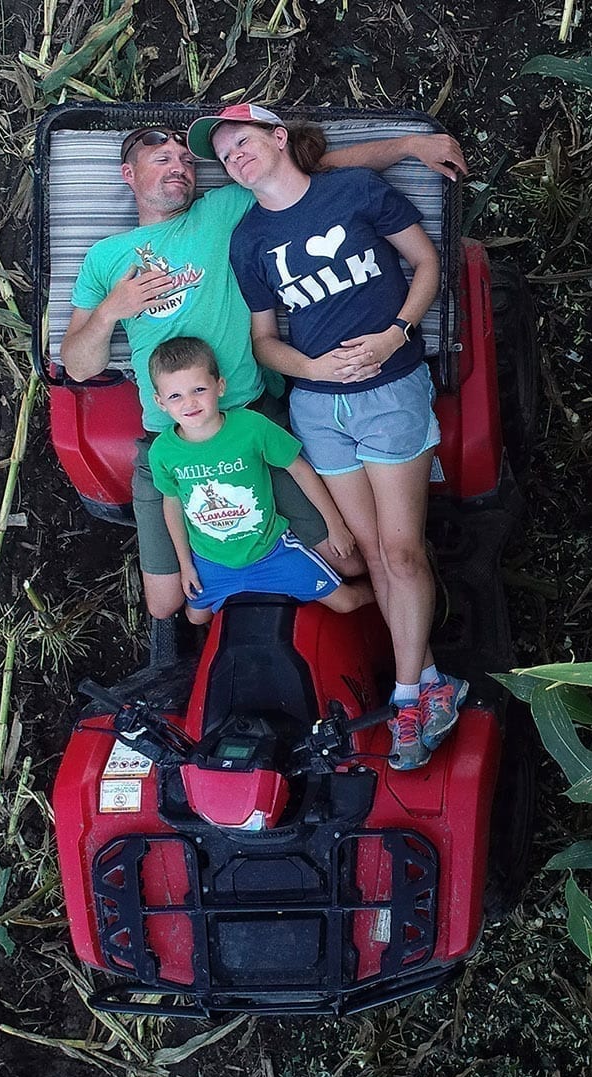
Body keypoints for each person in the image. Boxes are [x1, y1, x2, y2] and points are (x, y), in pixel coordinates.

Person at [59, 117, 467, 628]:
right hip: (171, 436)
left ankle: (304, 571)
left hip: (249, 418)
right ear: (127, 174)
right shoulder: (105, 258)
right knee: (165, 606)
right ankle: (270, 567)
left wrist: (410, 146)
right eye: (162, 159)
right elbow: (79, 365)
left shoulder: (223, 210)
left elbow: (311, 169)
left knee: (355, 560)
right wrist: (109, 311)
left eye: (187, 161)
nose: (180, 168)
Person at [186, 103, 465, 771]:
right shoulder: (249, 238)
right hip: (318, 408)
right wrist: (307, 367)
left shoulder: (353, 192)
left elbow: (427, 265)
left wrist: (397, 332)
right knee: (369, 554)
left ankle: (404, 697)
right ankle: (430, 685)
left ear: (279, 138)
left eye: (244, 142)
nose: (235, 158)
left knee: (401, 553)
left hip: (390, 392)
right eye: (225, 156)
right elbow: (263, 342)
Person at [147, 336, 374, 625]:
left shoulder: (251, 426)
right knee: (195, 618)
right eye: (175, 396)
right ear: (160, 402)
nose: (189, 402)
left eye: (199, 389)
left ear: (220, 386)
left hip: (271, 552)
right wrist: (185, 564)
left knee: (346, 602)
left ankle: (388, 596)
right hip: (212, 561)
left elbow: (299, 469)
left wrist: (335, 525)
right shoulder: (163, 451)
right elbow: (172, 502)